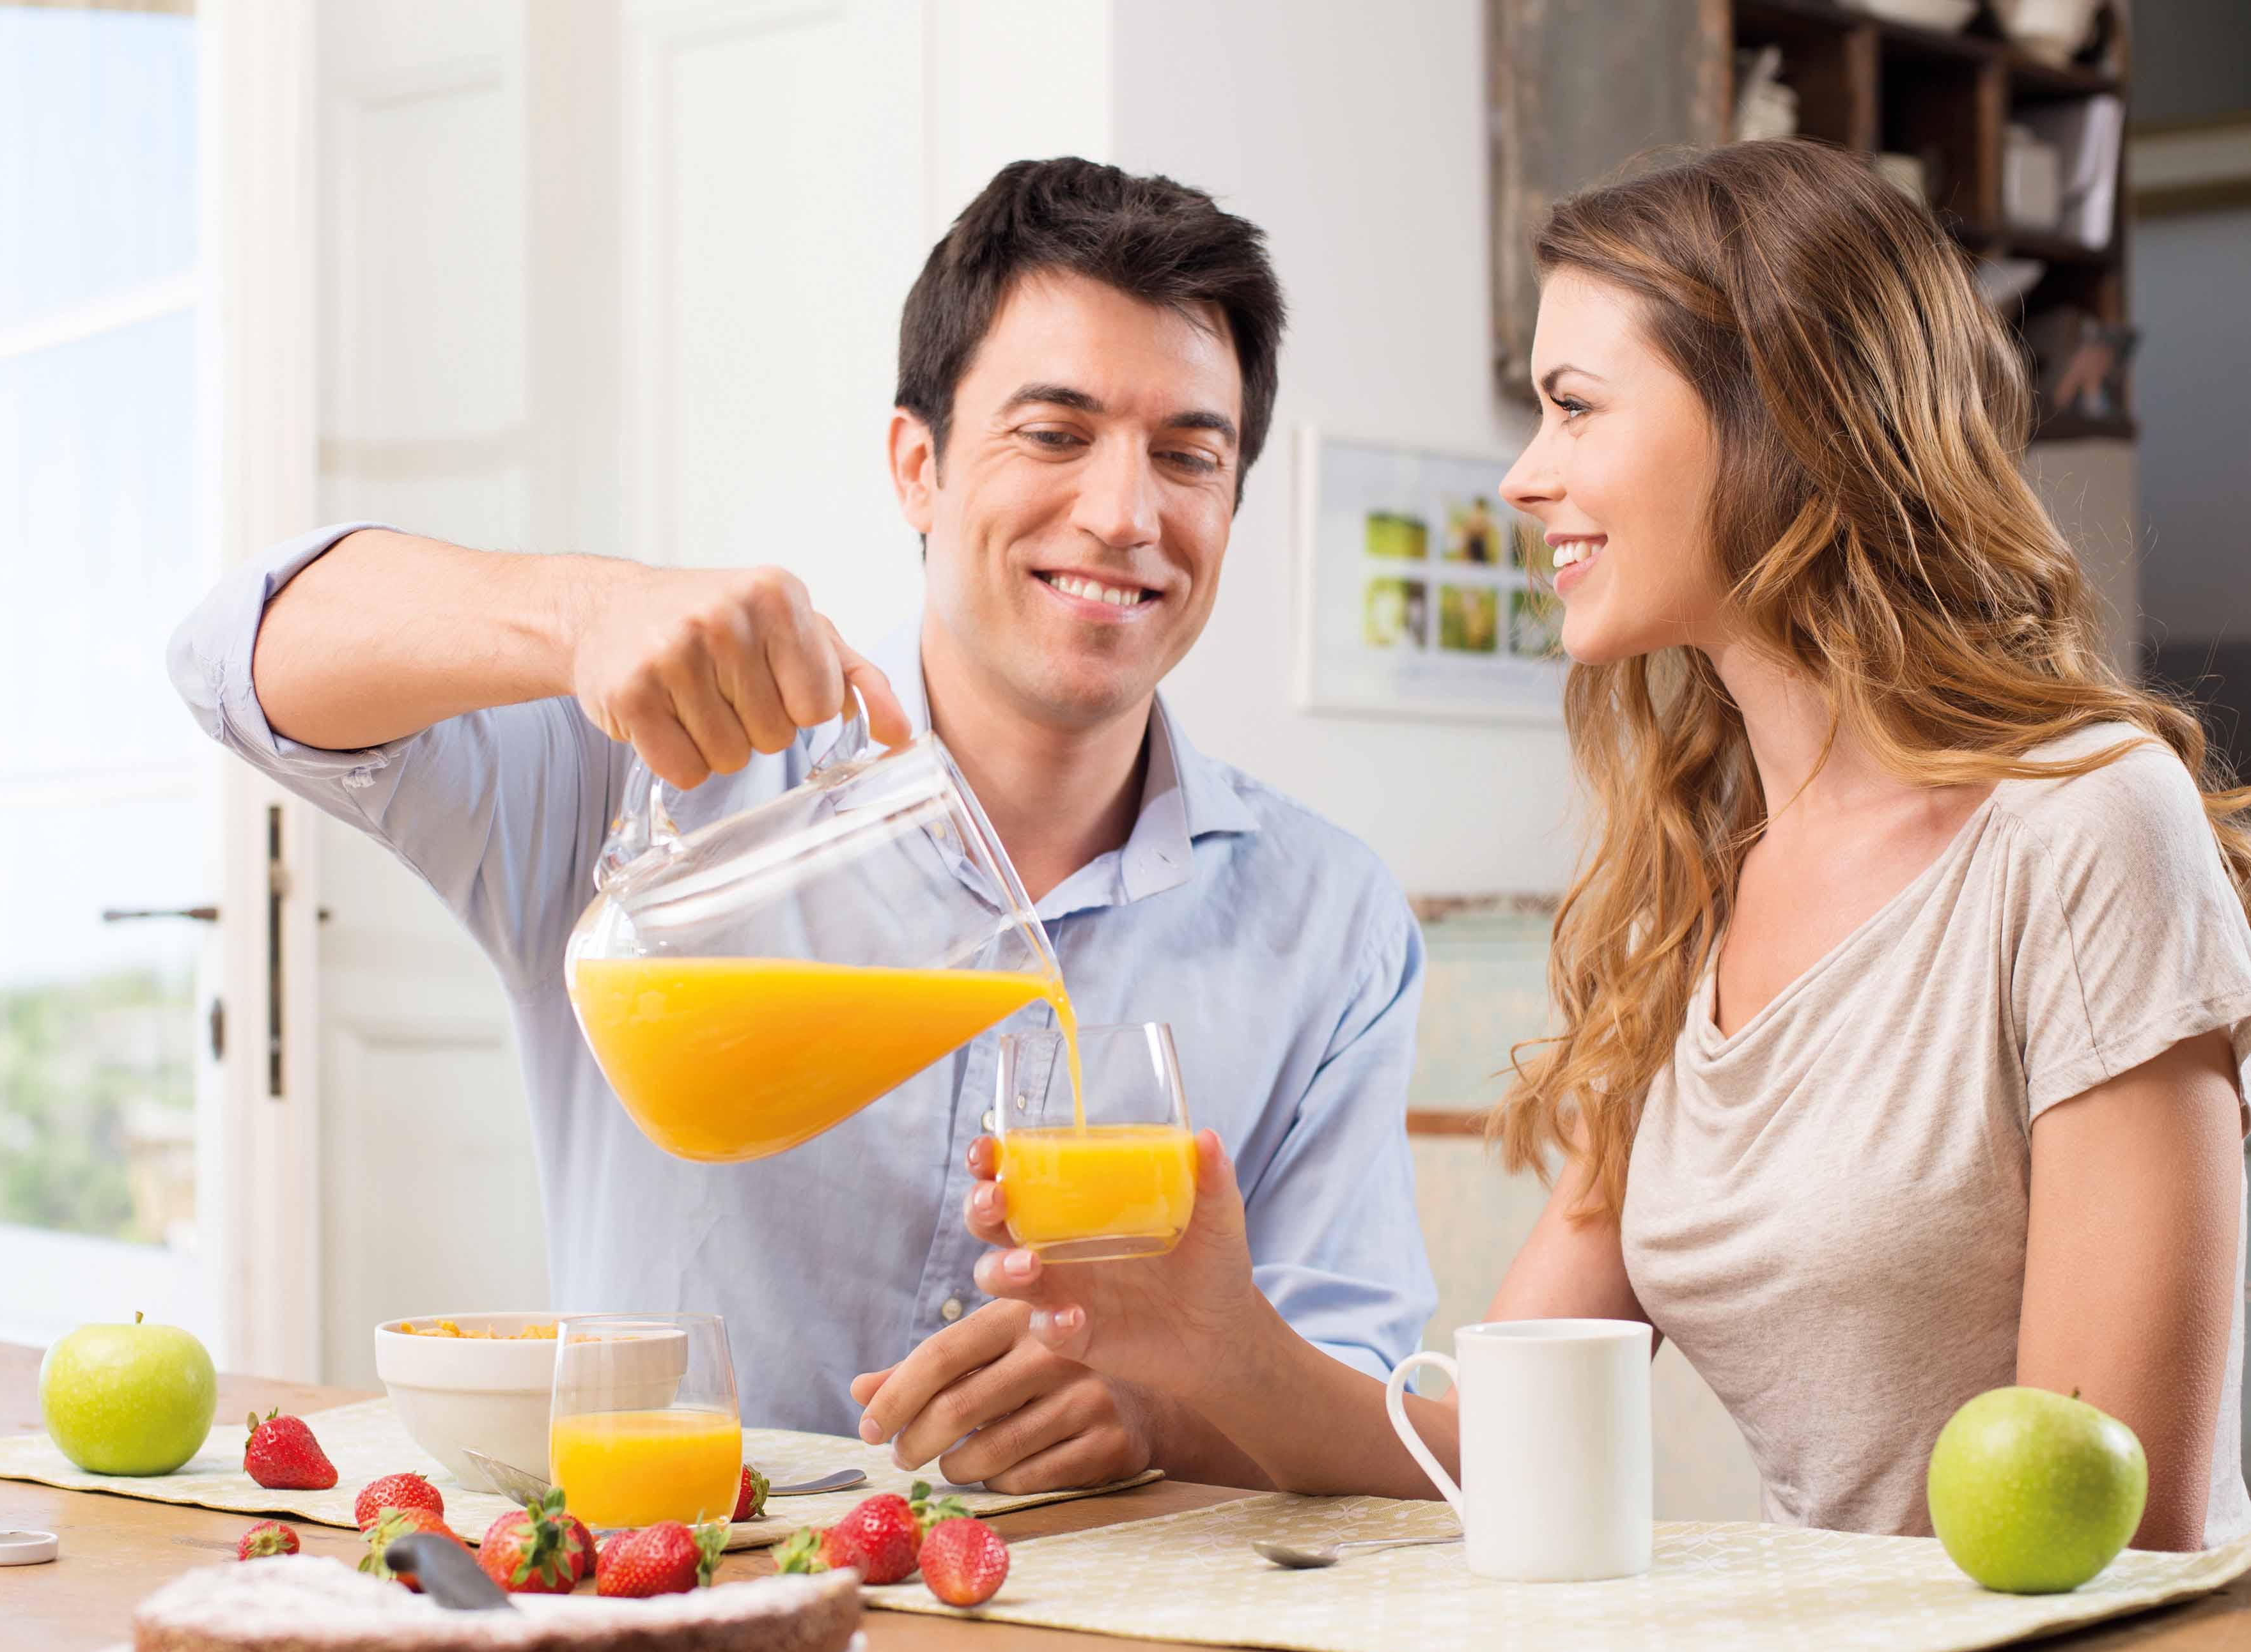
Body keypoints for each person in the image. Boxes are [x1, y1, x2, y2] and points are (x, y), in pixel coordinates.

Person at [961, 138, 2251, 1548]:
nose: (1524, 477)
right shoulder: (1694, 888)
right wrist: (1215, 1344)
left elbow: (2114, 1540)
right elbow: (1503, 1452)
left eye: (1576, 408)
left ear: (1784, 417)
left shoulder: (2085, 828)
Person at [168, 157, 1437, 1491]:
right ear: (917, 465)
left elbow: (1371, 1411)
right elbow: (232, 658)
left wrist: (1164, 1418)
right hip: (685, 1609)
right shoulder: (663, 763)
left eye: (1189, 455)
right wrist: (579, 614)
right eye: (1055, 435)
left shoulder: (1328, 920)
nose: (1125, 515)